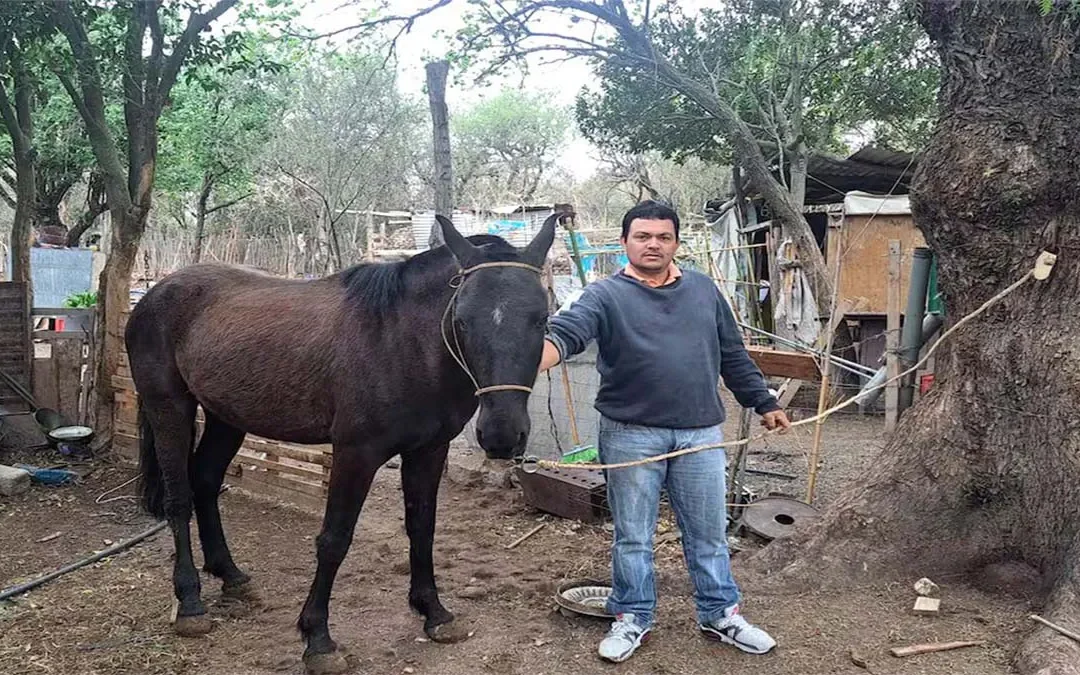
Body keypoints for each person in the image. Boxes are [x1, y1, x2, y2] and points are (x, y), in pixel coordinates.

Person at [540, 200, 791, 663]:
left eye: (663, 237)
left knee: (709, 533)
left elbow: (732, 354)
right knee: (633, 535)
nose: (653, 244)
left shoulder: (703, 290)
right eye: (642, 236)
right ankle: (632, 616)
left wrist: (765, 401)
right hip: (630, 434)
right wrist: (535, 356)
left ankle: (721, 615)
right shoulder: (603, 295)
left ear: (676, 242)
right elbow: (566, 333)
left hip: (699, 434)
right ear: (625, 243)